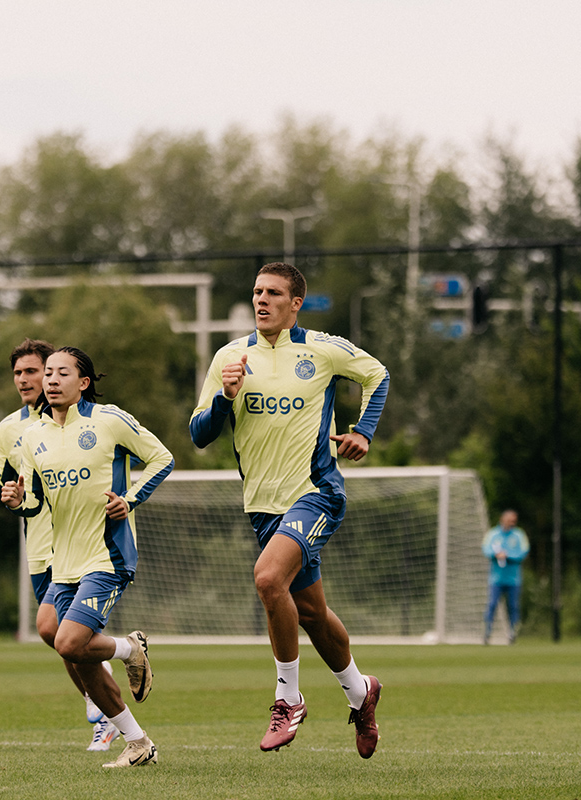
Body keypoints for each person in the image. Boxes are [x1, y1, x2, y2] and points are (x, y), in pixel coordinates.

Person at [189, 262, 390, 758]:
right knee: (312, 613)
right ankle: (361, 692)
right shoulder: (230, 357)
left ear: (295, 302)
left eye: (274, 293)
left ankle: (288, 699)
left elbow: (377, 374)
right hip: (262, 506)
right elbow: (199, 434)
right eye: (257, 292)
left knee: (266, 579)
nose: (262, 300)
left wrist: (363, 431)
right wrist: (225, 397)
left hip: (316, 491)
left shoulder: (321, 349)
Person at [1, 346, 173, 768]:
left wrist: (130, 499)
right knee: (69, 649)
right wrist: (18, 500)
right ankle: (138, 742)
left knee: (69, 642)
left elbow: (162, 458)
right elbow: (35, 502)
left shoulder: (109, 420)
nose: (51, 380)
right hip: (64, 562)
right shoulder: (32, 437)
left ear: (84, 382)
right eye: (49, 373)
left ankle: (129, 648)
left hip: (107, 555)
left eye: (63, 373)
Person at [0, 338, 118, 752]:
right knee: (59, 641)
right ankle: (106, 702)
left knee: (72, 639)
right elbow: (11, 496)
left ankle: (108, 716)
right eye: (18, 373)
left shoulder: (87, 419)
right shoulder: (9, 429)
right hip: (40, 551)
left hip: (83, 547)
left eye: (33, 371)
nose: (24, 379)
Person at [482, 509, 529, 645]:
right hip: (496, 578)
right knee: (492, 604)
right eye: (510, 520)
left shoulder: (519, 535)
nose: (512, 522)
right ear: (503, 519)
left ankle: (512, 633)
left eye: (514, 520)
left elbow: (524, 552)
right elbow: (486, 548)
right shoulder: (493, 534)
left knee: (513, 606)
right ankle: (487, 633)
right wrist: (496, 554)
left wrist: (508, 555)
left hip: (513, 579)